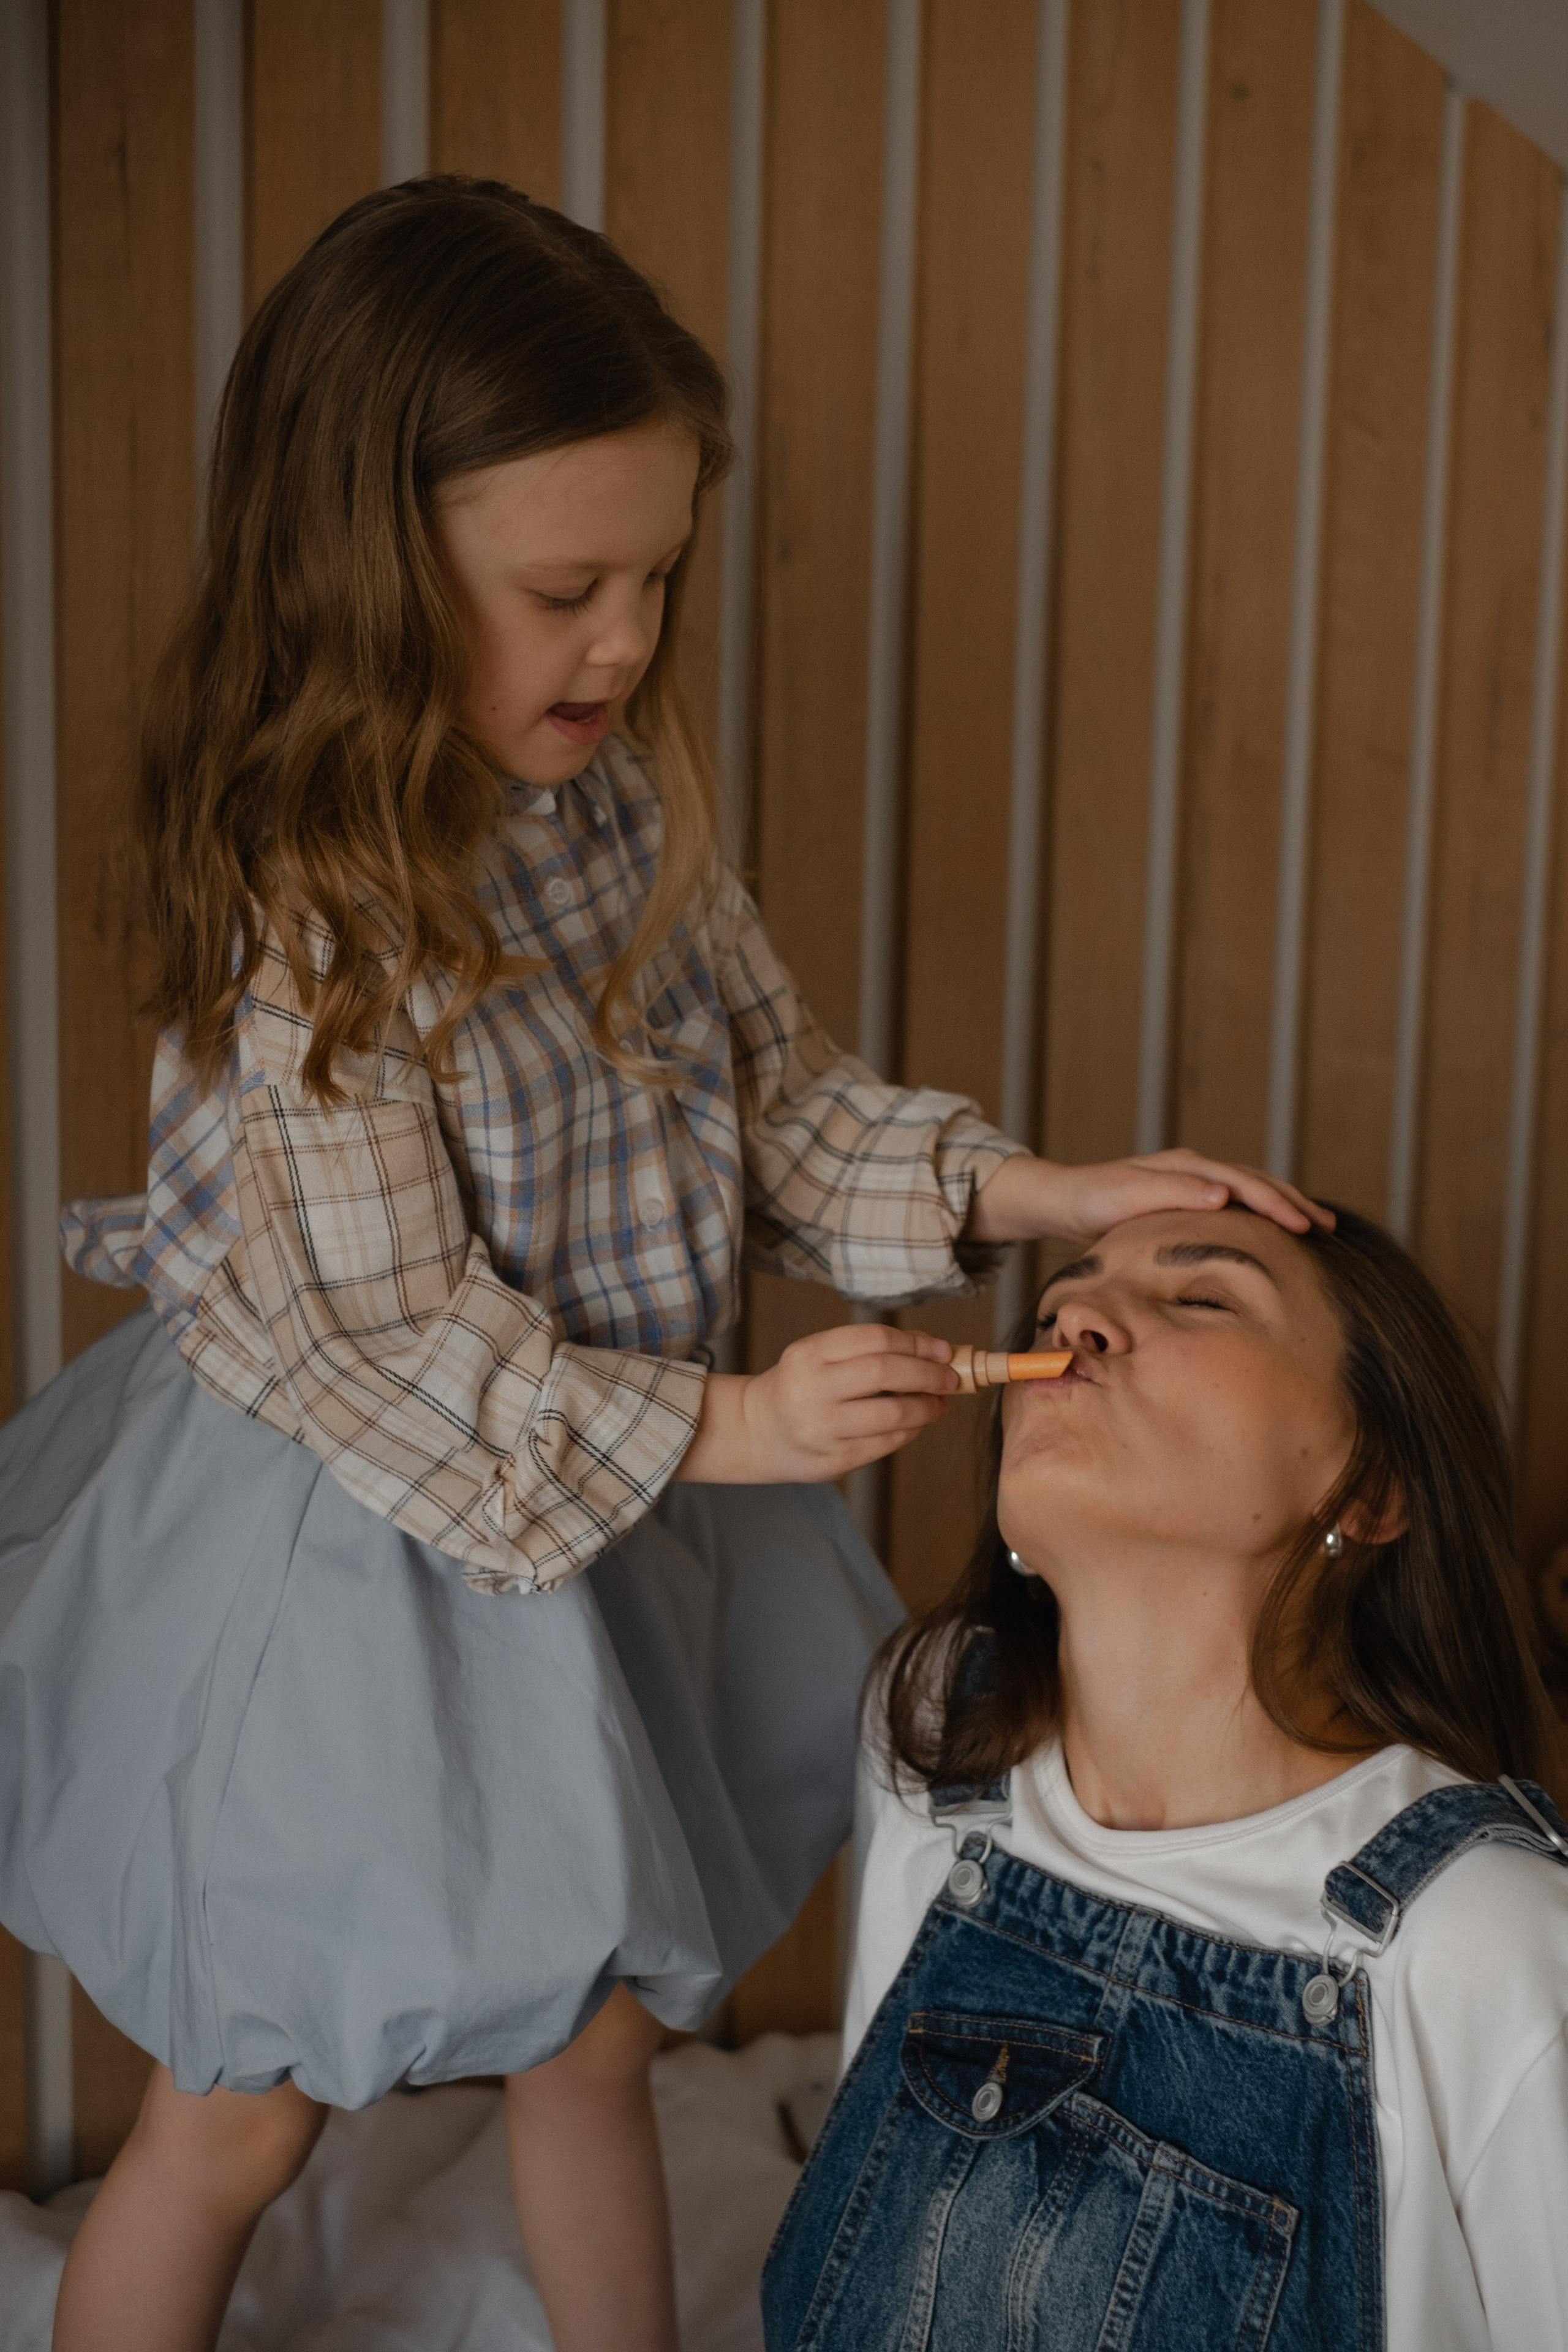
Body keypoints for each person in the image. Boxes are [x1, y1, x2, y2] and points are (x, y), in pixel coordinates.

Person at [0, 179, 1321, 2352]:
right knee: (245, 2099)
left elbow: (782, 1107)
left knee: (598, 2031)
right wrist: (739, 1420)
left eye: (659, 581)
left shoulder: (623, 816)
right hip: (353, 1552)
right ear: (369, 566)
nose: (623, 643)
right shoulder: (313, 911)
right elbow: (400, 1339)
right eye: (565, 590)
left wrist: (1040, 1193)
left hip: (596, 1516)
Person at [763, 1204, 1568, 2351]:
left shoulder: (1489, 1939)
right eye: (1057, 1303)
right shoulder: (939, 1724)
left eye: (1202, 1297)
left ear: (1368, 1487)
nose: (1073, 1316)